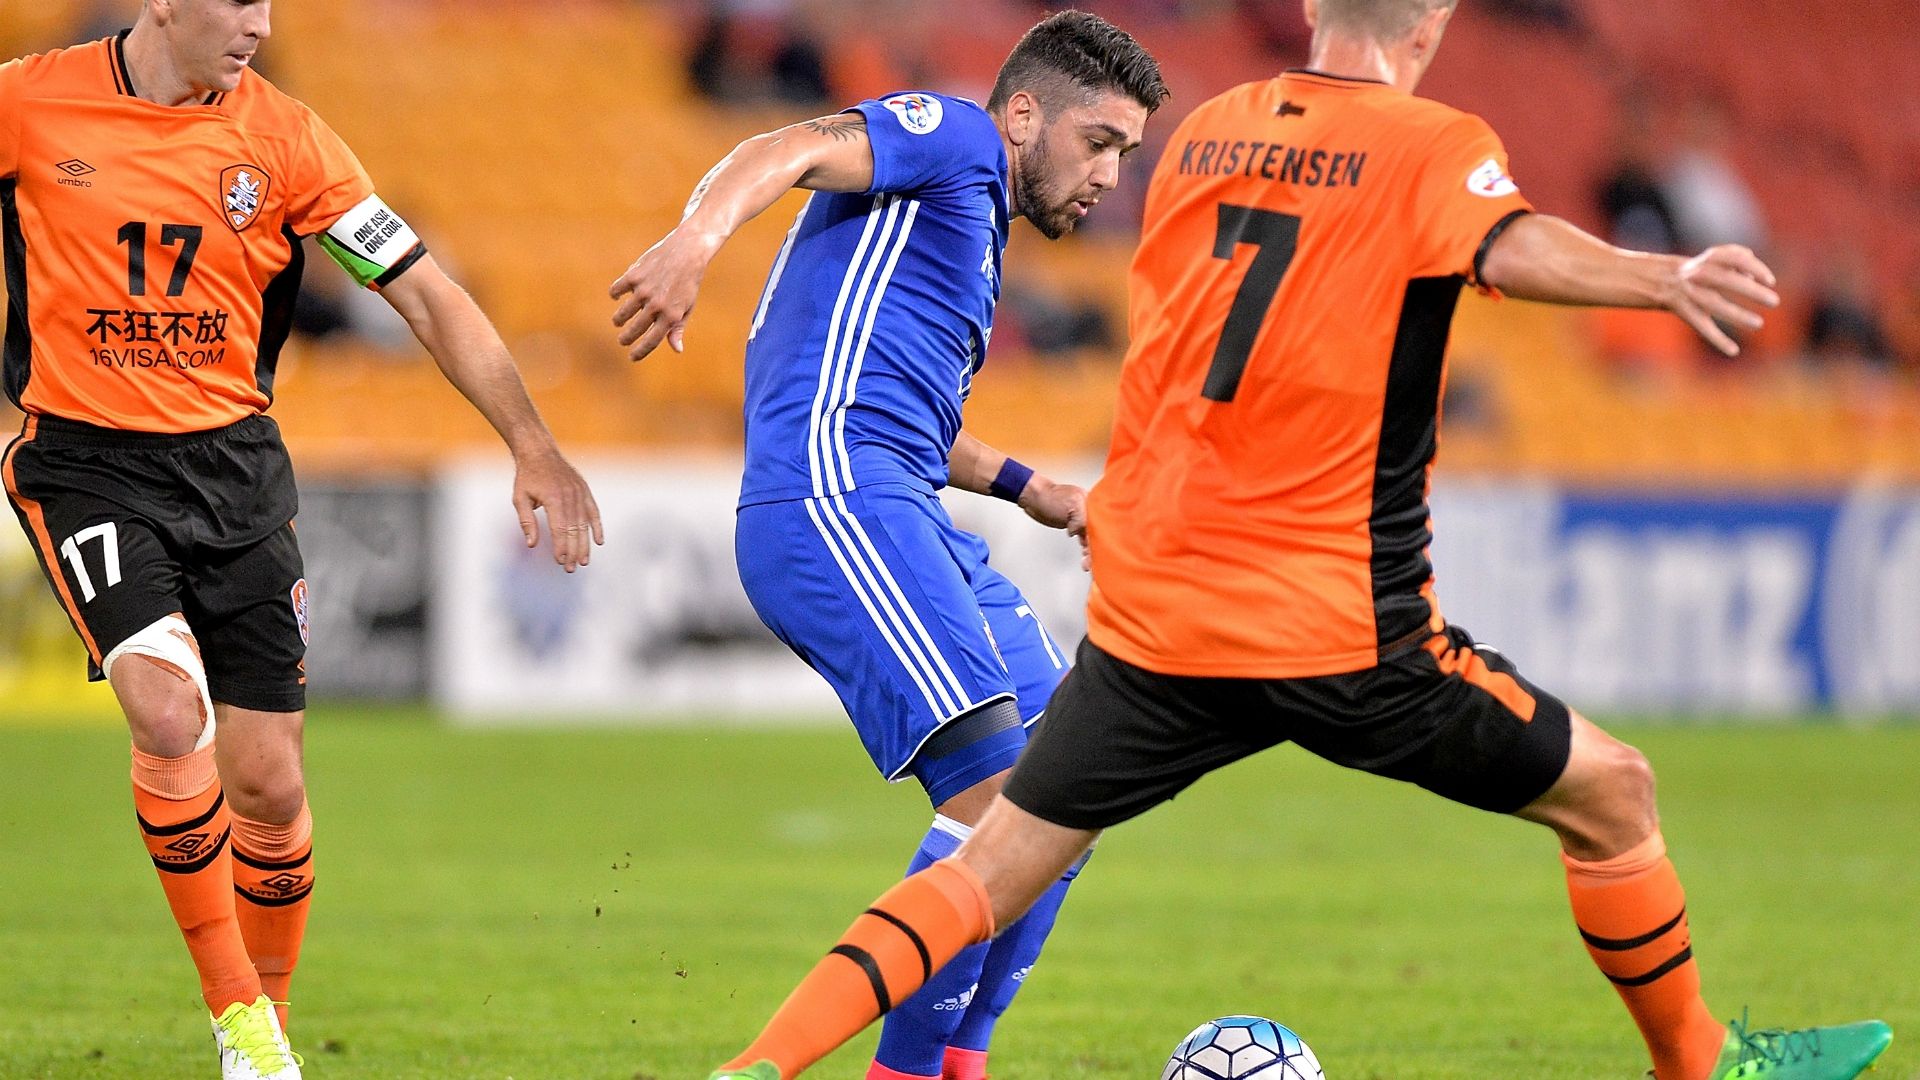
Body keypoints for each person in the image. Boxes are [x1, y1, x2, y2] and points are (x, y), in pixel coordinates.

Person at [687, 2, 1896, 1079]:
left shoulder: (1209, 138)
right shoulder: (1427, 145)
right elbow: (1511, 246)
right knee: (1614, 793)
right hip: (1333, 621)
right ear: (1430, 26)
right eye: (1099, 145)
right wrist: (1656, 278)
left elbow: (1163, 358)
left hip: (1169, 623)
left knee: (995, 861)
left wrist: (1083, 496)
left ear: (1311, 7)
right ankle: (1702, 1063)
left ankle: (763, 1067)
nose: (1110, 171)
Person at [0, 2, 603, 1077]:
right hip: (86, 464)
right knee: (167, 710)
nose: (263, 24)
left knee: (270, 786)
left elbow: (426, 295)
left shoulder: (288, 139)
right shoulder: (28, 101)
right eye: (239, 1)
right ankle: (237, 1013)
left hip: (237, 473)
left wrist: (533, 443)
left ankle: (264, 1035)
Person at [609, 13, 1165, 1080]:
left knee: (1069, 784)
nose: (1110, 176)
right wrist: (693, 241)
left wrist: (1036, 489)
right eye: (1098, 142)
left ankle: (956, 1062)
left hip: (900, 498)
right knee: (1000, 809)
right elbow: (786, 147)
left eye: (1124, 155)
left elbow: (907, 412)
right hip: (836, 501)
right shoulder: (956, 139)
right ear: (1023, 114)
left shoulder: (965, 229)